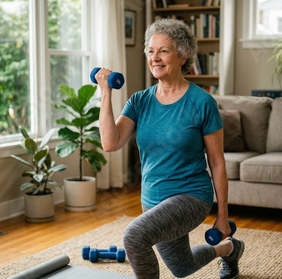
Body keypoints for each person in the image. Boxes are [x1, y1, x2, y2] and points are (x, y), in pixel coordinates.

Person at [96, 18, 244, 279]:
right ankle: (229, 250)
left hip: (191, 196)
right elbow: (110, 143)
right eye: (151, 51)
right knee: (182, 267)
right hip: (153, 201)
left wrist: (222, 217)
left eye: (163, 51)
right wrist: (106, 94)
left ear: (183, 54)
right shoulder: (139, 101)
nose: (155, 58)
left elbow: (217, 162)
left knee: (134, 236)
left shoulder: (202, 103)